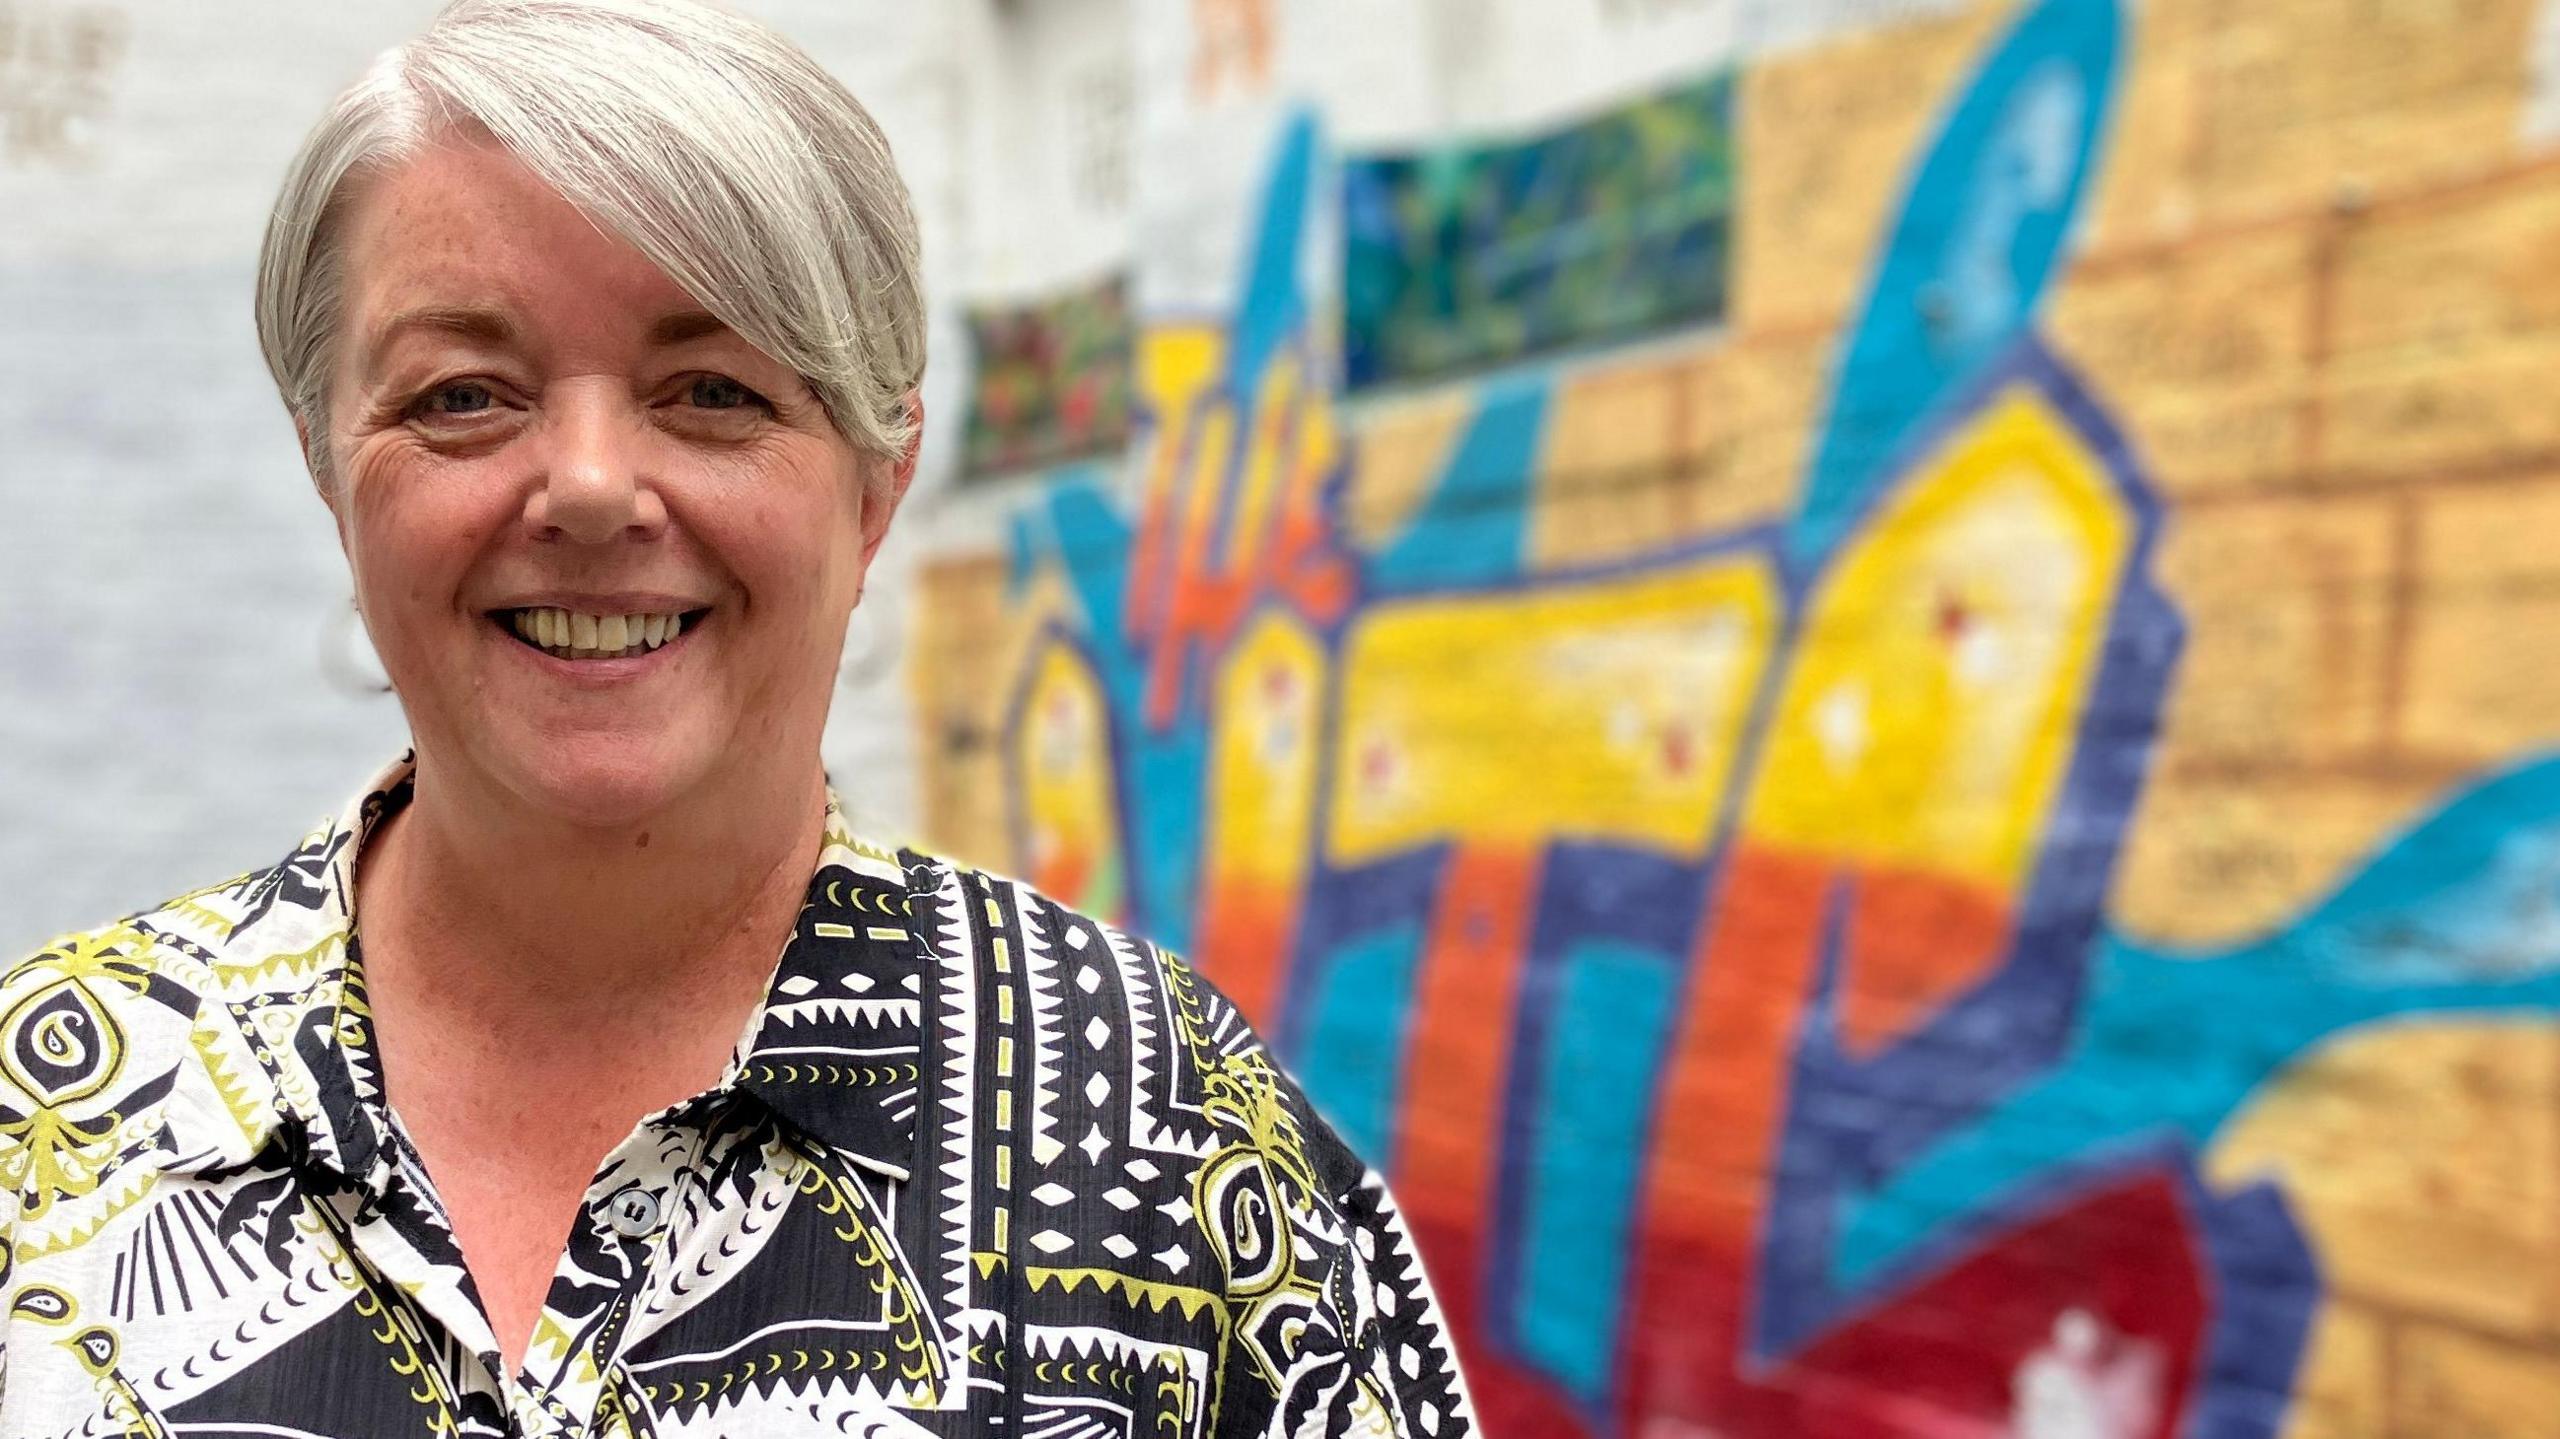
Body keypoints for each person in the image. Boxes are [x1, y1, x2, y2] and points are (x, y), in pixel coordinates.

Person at [0, 2, 1475, 1433]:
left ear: (875, 484)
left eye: (712, 389)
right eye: (463, 396)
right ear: (332, 472)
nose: (585, 487)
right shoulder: (49, 1132)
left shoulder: (1167, 1139)